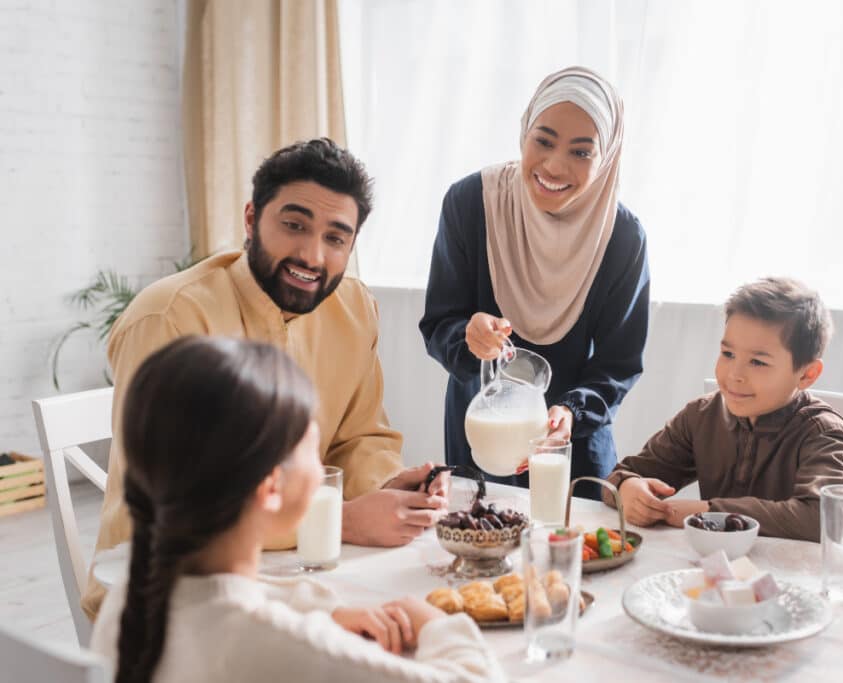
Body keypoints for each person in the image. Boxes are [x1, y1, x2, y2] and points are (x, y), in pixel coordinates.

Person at [84, 139, 449, 620]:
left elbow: (359, 437)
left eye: (336, 238)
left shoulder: (354, 308)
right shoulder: (171, 318)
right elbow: (166, 504)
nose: (312, 256)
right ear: (252, 218)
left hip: (302, 571)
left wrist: (391, 487)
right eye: (294, 225)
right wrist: (337, 521)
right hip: (169, 596)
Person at [91, 336, 502, 683]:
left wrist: (326, 610)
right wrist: (435, 623)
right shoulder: (291, 651)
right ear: (271, 486)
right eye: (312, 446)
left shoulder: (129, 604)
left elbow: (225, 599)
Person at [419, 66, 650, 500]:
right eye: (543, 140)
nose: (554, 165)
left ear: (608, 156)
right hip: (483, 436)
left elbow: (619, 363)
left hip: (571, 446)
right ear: (524, 131)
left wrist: (571, 411)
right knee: (481, 552)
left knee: (572, 559)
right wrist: (467, 336)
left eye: (582, 152)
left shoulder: (620, 237)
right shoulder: (472, 204)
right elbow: (439, 323)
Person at [605, 277, 843, 542]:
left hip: (791, 578)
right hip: (712, 574)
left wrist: (709, 512)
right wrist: (627, 487)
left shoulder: (825, 434)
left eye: (758, 362)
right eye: (728, 354)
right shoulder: (701, 415)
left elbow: (821, 520)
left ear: (807, 374)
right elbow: (619, 478)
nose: (734, 374)